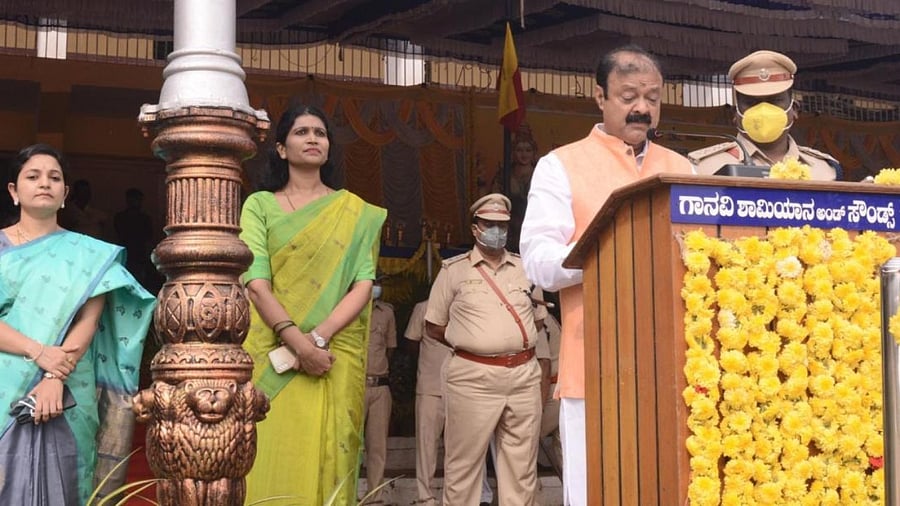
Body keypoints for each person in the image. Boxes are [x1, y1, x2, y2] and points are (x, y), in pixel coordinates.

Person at [520, 45, 693, 505]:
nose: (642, 108)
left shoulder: (681, 169)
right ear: (600, 97)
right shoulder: (560, 165)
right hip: (595, 362)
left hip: (676, 365)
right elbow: (537, 260)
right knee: (597, 490)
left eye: (653, 98)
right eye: (629, 95)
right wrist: (612, 253)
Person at [240, 103, 387, 505]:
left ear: (328, 148)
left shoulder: (354, 211)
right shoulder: (260, 206)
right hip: (274, 357)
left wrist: (317, 340)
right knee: (271, 453)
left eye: (319, 133)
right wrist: (297, 343)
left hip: (331, 357)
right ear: (282, 148)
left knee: (328, 455)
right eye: (301, 132)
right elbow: (256, 282)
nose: (311, 139)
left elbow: (363, 283)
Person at [0, 143, 155, 505]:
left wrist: (55, 378)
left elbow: (88, 318)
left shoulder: (90, 255)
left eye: (55, 178)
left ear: (66, 194)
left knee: (69, 484)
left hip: (69, 384)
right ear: (13, 191)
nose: (45, 183)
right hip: (6, 380)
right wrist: (40, 355)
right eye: (33, 176)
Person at [426, 193, 548, 506]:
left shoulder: (527, 269)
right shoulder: (453, 270)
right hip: (472, 377)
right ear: (475, 228)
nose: (496, 230)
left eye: (502, 225)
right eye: (489, 224)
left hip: (523, 376)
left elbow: (538, 321)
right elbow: (433, 326)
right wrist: (475, 345)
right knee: (463, 466)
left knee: (521, 469)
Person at [689, 49, 842, 180]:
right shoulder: (703, 168)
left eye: (774, 101)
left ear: (794, 110)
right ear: (735, 114)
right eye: (752, 103)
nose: (763, 111)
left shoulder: (827, 170)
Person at [406, 299, 498, 506]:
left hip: (463, 390)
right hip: (429, 388)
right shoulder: (423, 308)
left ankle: (460, 498)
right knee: (426, 447)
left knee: (465, 448)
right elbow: (411, 343)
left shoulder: (470, 306)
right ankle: (425, 498)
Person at [362, 277, 397, 504]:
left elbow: (390, 348)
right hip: (355, 386)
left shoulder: (387, 313)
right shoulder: (349, 308)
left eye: (379, 280)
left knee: (377, 446)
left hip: (380, 386)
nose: (376, 286)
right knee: (349, 444)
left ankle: (374, 497)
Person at [114, 187, 155, 288]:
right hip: (126, 253)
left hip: (140, 254)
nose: (136, 202)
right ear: (128, 200)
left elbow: (149, 238)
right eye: (133, 199)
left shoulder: (145, 219)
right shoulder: (120, 217)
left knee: (140, 282)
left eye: (138, 200)